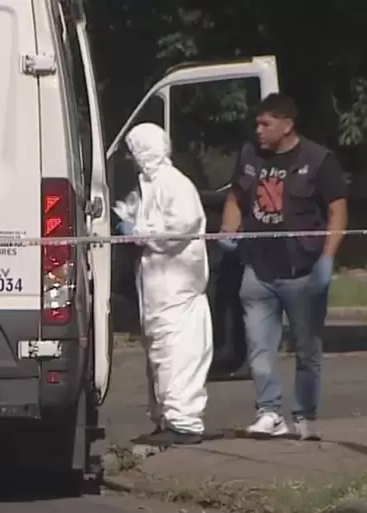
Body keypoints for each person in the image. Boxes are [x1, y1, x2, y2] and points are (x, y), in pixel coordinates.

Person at [218, 93, 348, 440]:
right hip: (258, 269)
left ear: (287, 125)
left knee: (307, 350)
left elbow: (337, 210)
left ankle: (305, 416)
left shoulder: (318, 159)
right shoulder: (249, 156)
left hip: (303, 270)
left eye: (266, 124)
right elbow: (235, 198)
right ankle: (269, 412)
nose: (258, 130)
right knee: (259, 349)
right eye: (257, 123)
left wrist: (327, 258)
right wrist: (228, 230)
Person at [113, 122, 214, 446]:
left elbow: (179, 229)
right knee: (159, 354)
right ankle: (166, 419)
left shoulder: (176, 185)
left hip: (177, 290)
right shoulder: (148, 186)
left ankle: (184, 422)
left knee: (178, 353)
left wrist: (139, 231)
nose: (130, 159)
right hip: (157, 290)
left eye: (133, 152)